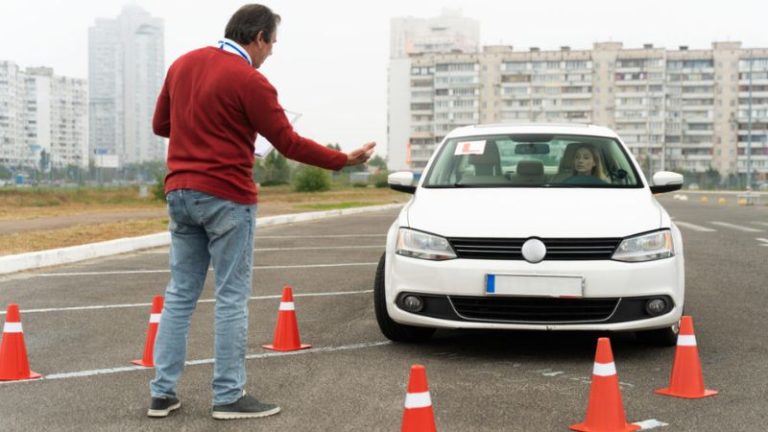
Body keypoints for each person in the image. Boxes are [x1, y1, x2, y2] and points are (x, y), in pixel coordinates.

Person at [146, 4, 375, 421]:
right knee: (231, 297)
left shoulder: (182, 65)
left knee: (180, 295)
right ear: (258, 38)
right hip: (226, 196)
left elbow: (161, 125)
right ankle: (228, 396)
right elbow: (288, 142)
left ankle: (162, 394)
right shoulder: (251, 80)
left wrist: (203, 131)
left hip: (180, 192)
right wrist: (343, 159)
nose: (271, 52)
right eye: (272, 44)